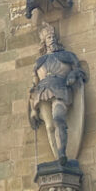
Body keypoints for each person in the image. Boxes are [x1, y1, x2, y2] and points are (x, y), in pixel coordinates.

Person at [28, 22, 86, 163]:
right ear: (44, 41)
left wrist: (73, 75)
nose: (52, 39)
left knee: (59, 119)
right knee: (49, 126)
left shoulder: (68, 56)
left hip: (60, 89)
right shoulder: (39, 62)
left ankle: (62, 153)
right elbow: (33, 87)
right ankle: (57, 155)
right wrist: (33, 110)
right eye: (48, 37)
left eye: (53, 36)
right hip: (42, 93)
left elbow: (79, 70)